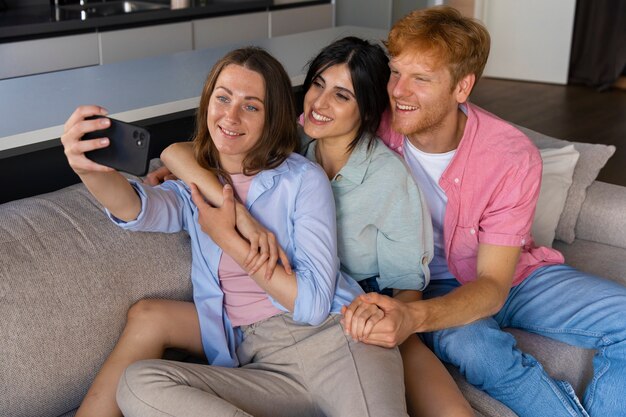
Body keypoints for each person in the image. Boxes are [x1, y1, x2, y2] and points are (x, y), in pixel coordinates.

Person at [61, 47, 410, 417]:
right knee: (138, 384)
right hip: (257, 360)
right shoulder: (191, 188)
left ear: (270, 117)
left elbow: (311, 304)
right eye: (222, 98)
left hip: (335, 341)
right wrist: (87, 170)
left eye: (251, 106)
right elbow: (135, 208)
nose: (230, 115)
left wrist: (231, 240)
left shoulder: (302, 179)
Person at [158, 37, 474, 417]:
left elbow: (407, 284)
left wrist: (393, 321)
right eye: (317, 85)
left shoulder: (388, 178)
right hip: (298, 296)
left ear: (368, 111)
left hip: (372, 295)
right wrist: (196, 177)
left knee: (455, 395)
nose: (320, 104)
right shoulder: (293, 139)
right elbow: (183, 149)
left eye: (341, 96)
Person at [342, 6, 626, 417]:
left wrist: (412, 317)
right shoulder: (372, 129)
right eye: (396, 72)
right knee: (475, 348)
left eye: (420, 78)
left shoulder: (510, 155)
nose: (398, 91)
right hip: (428, 284)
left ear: (462, 87)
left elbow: (493, 283)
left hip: (512, 275)